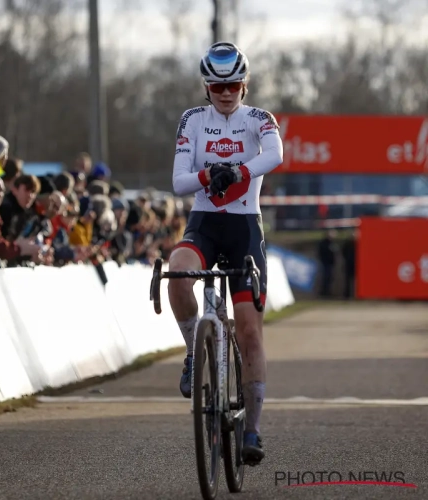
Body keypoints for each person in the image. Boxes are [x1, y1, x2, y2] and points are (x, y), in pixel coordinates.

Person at [168, 42, 283, 466]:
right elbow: (179, 182)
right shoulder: (193, 120)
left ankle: (251, 428)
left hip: (244, 228)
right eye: (217, 86)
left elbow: (275, 154)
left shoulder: (259, 119)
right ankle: (194, 353)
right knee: (177, 274)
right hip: (205, 222)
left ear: (244, 83)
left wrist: (238, 170)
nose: (226, 92)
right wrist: (205, 174)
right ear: (207, 87)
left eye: (233, 84)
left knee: (250, 331)